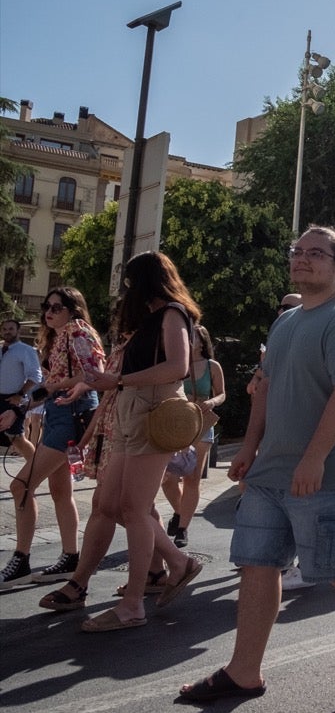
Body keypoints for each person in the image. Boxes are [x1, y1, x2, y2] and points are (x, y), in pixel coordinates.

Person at [177, 226, 335, 705]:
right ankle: (244, 671)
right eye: (297, 251)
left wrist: (313, 458)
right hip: (270, 472)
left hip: (325, 473)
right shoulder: (285, 323)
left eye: (315, 253)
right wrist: (248, 448)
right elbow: (264, 386)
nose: (302, 259)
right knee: (258, 565)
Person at [78, 253, 207, 630]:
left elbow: (177, 366)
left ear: (145, 281)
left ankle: (133, 604)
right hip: (133, 409)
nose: (127, 290)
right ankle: (178, 563)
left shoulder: (172, 313)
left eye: (130, 282)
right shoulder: (155, 317)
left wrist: (118, 381)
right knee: (112, 504)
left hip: (151, 411)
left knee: (134, 508)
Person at [2, 288, 104, 591]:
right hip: (59, 416)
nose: (48, 312)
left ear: (73, 309)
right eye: (47, 306)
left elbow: (96, 374)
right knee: (60, 491)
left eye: (56, 307)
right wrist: (18, 409)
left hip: (72, 416)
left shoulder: (77, 331)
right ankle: (70, 557)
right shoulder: (59, 337)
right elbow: (48, 386)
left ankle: (21, 560)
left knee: (21, 486)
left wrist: (56, 387)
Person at [161, 324, 226, 546]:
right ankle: (180, 512)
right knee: (168, 478)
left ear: (202, 341)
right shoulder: (177, 362)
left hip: (201, 424)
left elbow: (222, 394)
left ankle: (183, 529)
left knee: (192, 477)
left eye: (193, 336)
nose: (189, 339)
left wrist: (212, 401)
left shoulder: (212, 366)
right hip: (176, 424)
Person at [0, 316, 43, 462]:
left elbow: (35, 376)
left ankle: (35, 466)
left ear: (18, 331)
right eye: (4, 329)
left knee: (16, 437)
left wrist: (20, 394)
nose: (7, 332)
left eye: (11, 329)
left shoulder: (26, 350)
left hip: (12, 398)